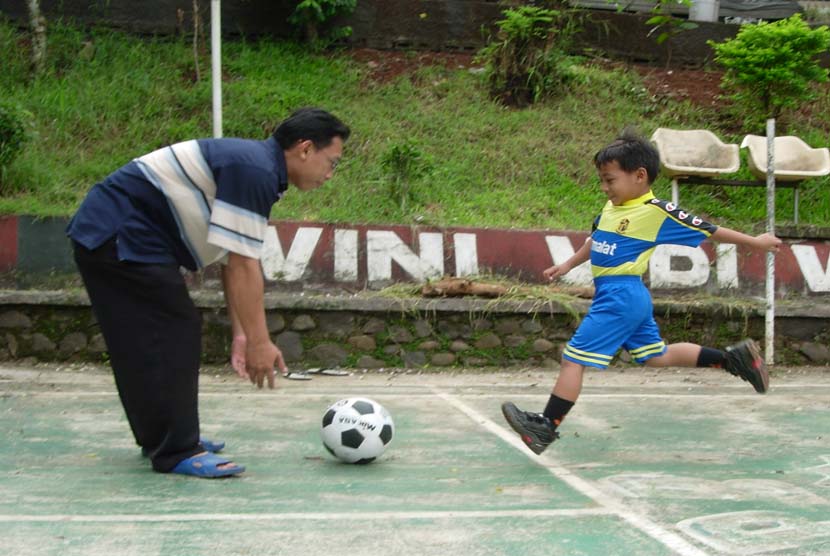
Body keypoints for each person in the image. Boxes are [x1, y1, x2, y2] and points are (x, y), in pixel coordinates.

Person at [67, 107, 350, 477]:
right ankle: (177, 448)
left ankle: (165, 438)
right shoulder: (256, 170)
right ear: (305, 149)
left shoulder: (259, 168)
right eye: (332, 162)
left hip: (119, 236)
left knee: (148, 341)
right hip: (121, 235)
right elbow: (245, 265)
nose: (330, 174)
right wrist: (260, 344)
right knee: (172, 331)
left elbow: (231, 260)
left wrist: (242, 333)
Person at [501, 129, 782, 455]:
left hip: (621, 296)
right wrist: (567, 264)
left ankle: (546, 426)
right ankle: (735, 360)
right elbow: (596, 241)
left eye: (610, 180)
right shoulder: (611, 209)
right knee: (656, 356)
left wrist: (756, 242)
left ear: (639, 176)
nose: (605, 188)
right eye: (602, 181)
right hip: (621, 296)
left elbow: (708, 229)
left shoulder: (656, 212)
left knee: (572, 359)